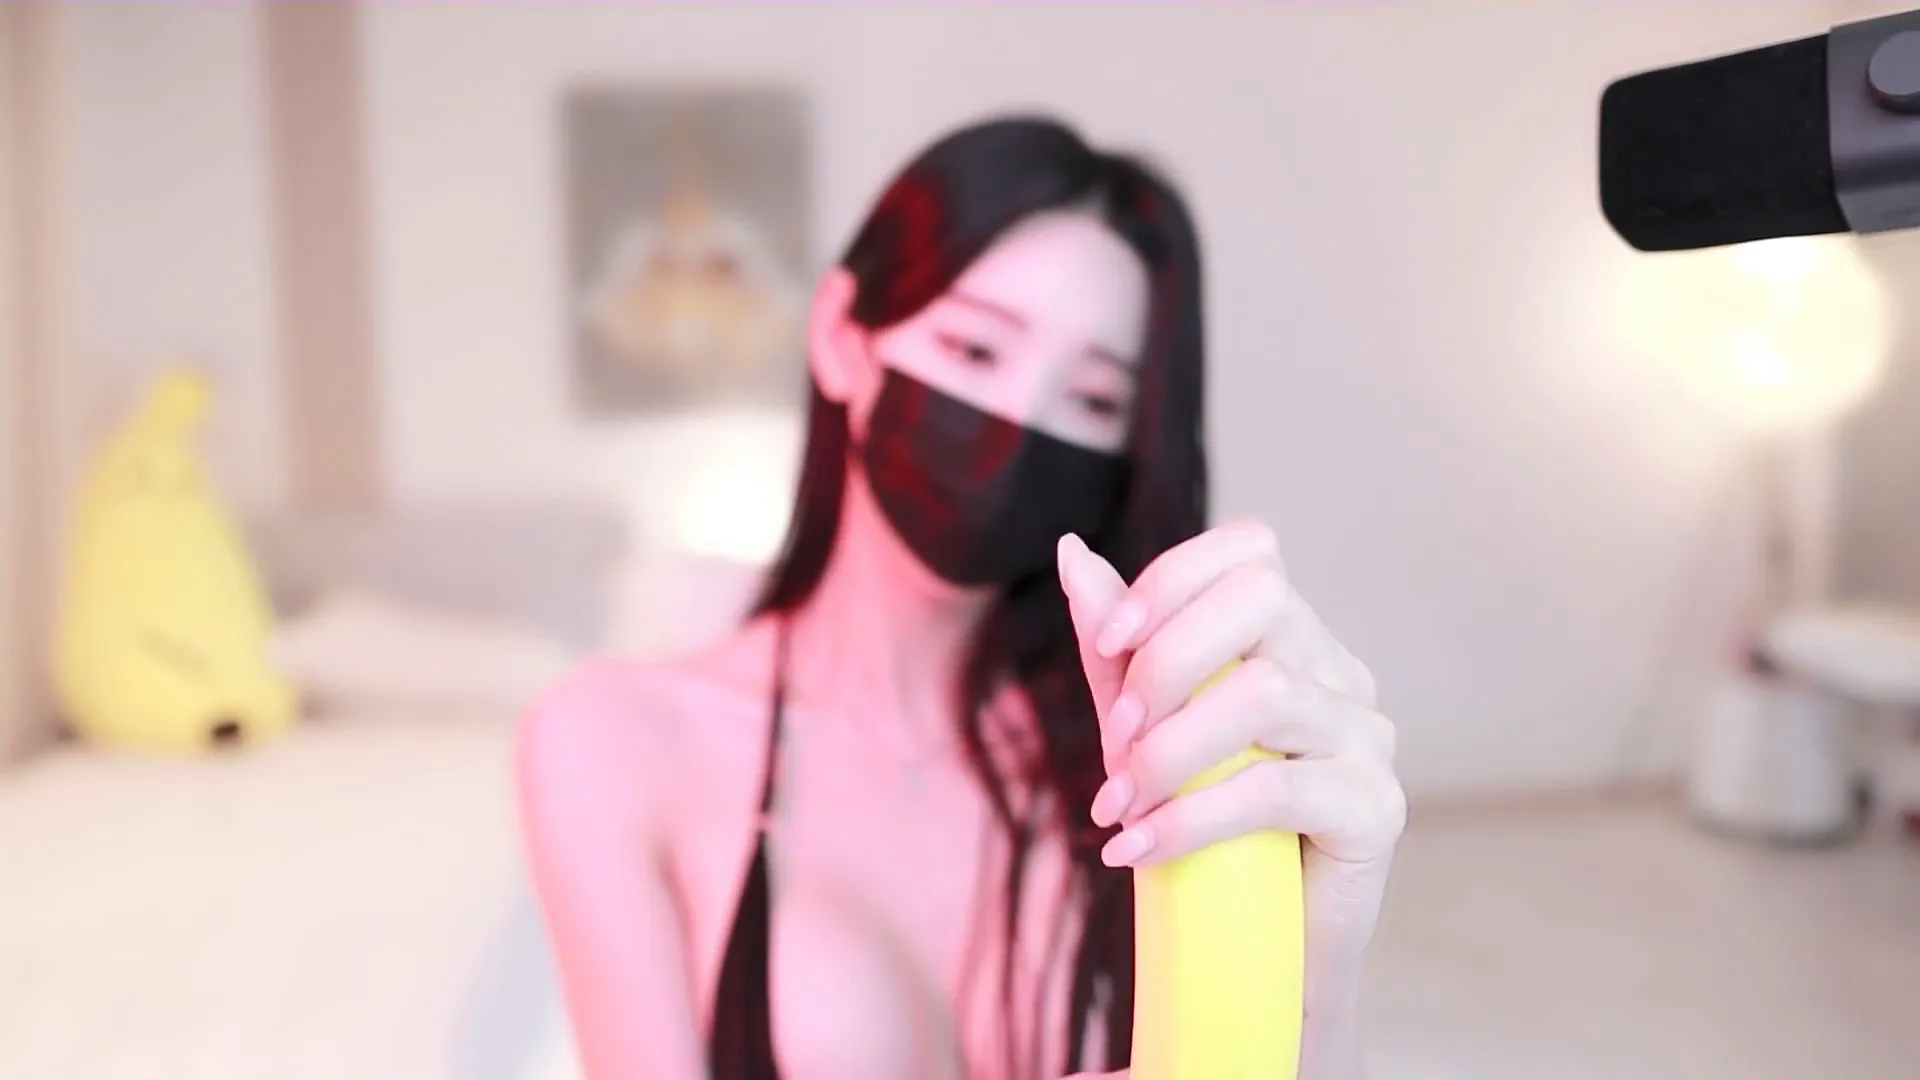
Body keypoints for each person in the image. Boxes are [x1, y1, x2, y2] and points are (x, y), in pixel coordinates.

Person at [517, 115, 1406, 1080]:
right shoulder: (614, 738)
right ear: (844, 338)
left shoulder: (1146, 760)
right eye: (977, 352)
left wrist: (1322, 990)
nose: (1018, 422)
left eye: (1094, 400)